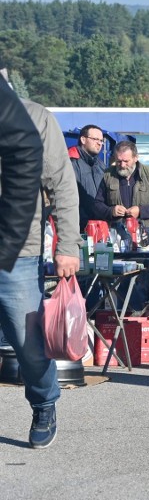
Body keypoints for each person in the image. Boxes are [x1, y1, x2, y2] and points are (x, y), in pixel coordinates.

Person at [1, 83, 80, 449]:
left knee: (27, 343)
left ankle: (44, 403)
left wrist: (67, 245)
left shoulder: (34, 117)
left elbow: (62, 183)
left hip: (18, 250)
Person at [90, 140, 149, 242]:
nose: (122, 165)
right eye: (119, 161)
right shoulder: (108, 176)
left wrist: (141, 211)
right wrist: (111, 211)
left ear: (135, 158)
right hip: (118, 239)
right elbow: (97, 205)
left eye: (126, 161)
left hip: (147, 238)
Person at [68, 124, 106, 231]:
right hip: (78, 226)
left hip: (99, 225)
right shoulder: (70, 162)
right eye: (95, 139)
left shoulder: (101, 165)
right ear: (83, 139)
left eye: (101, 140)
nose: (99, 143)